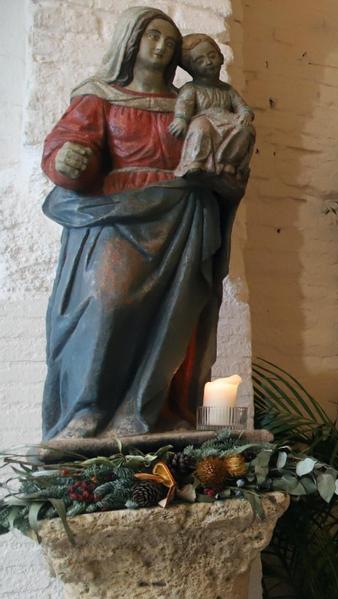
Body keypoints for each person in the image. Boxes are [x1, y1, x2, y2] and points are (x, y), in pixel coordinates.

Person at [40, 7, 243, 439]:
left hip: (183, 217)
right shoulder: (99, 96)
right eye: (153, 36)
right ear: (131, 41)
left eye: (170, 42)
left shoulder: (186, 103)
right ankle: (88, 408)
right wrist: (68, 158)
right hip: (117, 214)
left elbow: (223, 151)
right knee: (106, 299)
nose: (161, 46)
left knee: (177, 317)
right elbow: (69, 144)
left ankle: (151, 409)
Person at [170, 33, 255, 181]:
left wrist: (245, 114)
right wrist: (181, 119)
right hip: (205, 120)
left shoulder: (228, 90)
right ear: (191, 68)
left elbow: (242, 106)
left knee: (245, 130)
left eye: (212, 56)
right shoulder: (191, 88)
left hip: (227, 120)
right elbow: (184, 104)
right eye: (200, 60)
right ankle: (196, 161)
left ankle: (229, 163)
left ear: (221, 58)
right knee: (200, 127)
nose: (208, 62)